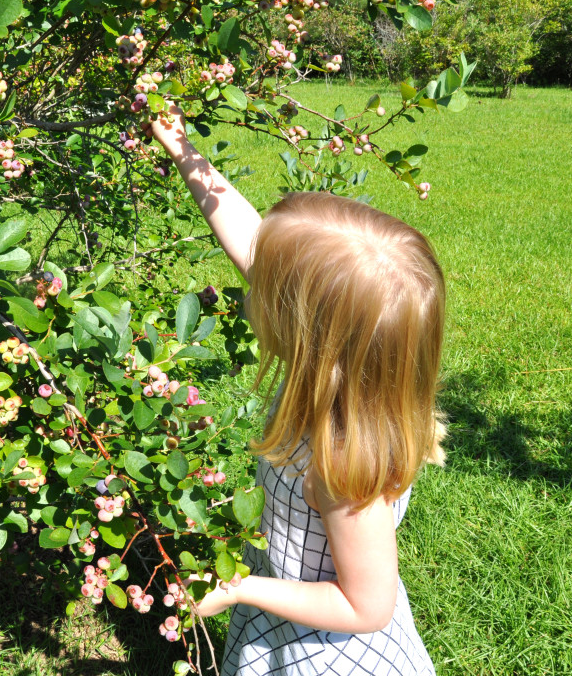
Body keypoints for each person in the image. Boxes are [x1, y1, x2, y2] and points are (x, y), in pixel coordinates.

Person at [151, 103, 446, 676]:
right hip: (299, 612)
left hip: (329, 652)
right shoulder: (352, 385)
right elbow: (252, 244)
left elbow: (366, 605)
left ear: (306, 334)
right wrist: (182, 146)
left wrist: (240, 587)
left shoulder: (339, 461)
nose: (250, 285)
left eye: (267, 289)